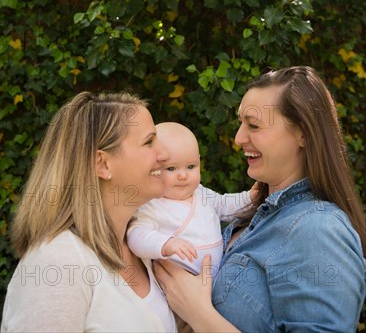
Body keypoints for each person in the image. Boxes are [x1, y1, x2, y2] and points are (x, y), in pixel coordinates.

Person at [154, 66, 366, 333]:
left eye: (253, 125)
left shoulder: (318, 230)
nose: (238, 138)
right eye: (240, 123)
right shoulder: (256, 217)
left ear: (302, 133)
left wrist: (199, 314)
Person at [1, 92, 177, 333]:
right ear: (102, 164)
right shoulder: (58, 262)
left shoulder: (146, 243)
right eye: (149, 142)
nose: (165, 154)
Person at [127, 122, 255, 278]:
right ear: (153, 169)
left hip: (216, 278)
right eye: (171, 168)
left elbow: (225, 205)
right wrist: (165, 244)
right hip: (179, 285)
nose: (183, 175)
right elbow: (136, 236)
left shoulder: (200, 193)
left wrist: (250, 197)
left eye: (191, 166)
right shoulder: (153, 204)